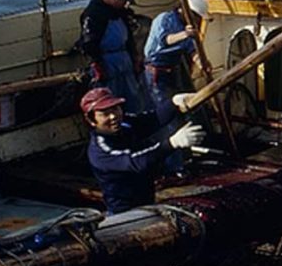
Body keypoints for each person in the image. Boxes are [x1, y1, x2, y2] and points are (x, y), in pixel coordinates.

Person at [82, 87, 203, 215]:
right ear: (91, 120)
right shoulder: (99, 151)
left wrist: (173, 103)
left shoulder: (125, 123)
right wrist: (172, 143)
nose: (113, 116)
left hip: (147, 200)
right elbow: (136, 162)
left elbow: (152, 119)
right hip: (126, 212)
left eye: (115, 109)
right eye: (105, 114)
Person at [77, 0, 150, 113]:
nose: (125, 4)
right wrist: (97, 65)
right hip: (106, 63)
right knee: (111, 100)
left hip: (124, 60)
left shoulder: (119, 12)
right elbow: (88, 44)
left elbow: (129, 38)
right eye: (124, 1)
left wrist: (135, 57)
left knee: (134, 98)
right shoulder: (94, 14)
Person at [144, 0, 209, 135]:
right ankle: (170, 138)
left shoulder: (188, 28)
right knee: (164, 106)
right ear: (186, 11)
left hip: (174, 69)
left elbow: (191, 50)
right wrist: (185, 34)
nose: (197, 20)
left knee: (182, 103)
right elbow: (165, 40)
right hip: (156, 70)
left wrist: (201, 63)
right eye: (195, 16)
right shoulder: (164, 19)